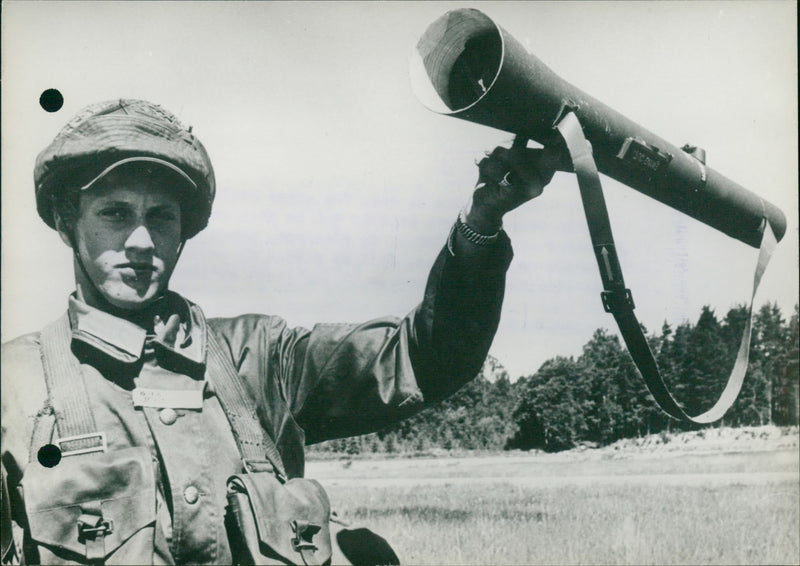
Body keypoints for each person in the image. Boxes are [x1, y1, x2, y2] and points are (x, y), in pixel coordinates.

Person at [0, 99, 557, 565]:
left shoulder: (258, 358)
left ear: (183, 232)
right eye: (115, 214)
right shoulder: (13, 387)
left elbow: (423, 357)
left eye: (162, 216)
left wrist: (480, 224)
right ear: (66, 223)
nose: (142, 241)